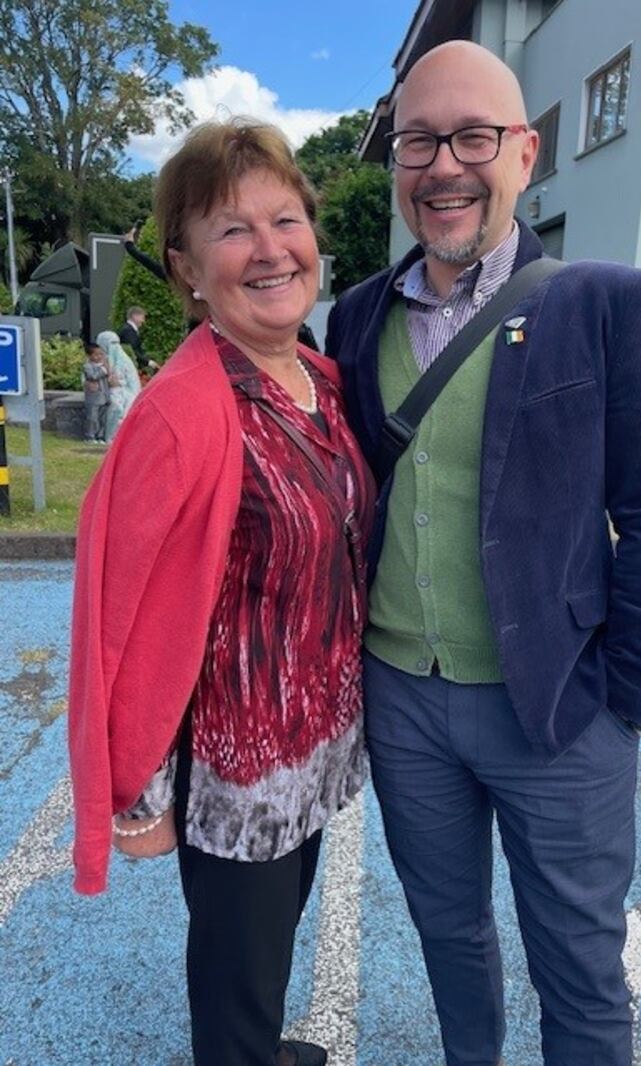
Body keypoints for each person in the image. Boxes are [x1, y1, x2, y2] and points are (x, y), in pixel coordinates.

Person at [325, 41, 641, 1066]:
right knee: (448, 940)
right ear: (396, 162)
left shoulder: (604, 302)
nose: (443, 165)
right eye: (416, 141)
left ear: (523, 153)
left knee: (577, 968)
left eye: (472, 137)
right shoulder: (355, 315)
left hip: (559, 708)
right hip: (402, 698)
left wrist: (624, 697)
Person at [69, 119, 375, 1066]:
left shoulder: (318, 378)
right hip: (237, 778)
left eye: (286, 218)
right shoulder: (182, 413)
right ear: (188, 270)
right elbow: (123, 621)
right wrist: (138, 800)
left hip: (310, 751)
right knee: (234, 980)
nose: (271, 248)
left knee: (265, 955)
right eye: (232, 230)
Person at [122, 224, 320, 350]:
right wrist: (130, 248)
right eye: (233, 232)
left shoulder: (292, 330)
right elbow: (159, 269)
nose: (271, 255)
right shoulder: (199, 283)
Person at [95, 329, 141, 442]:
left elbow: (122, 381)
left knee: (117, 406)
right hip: (113, 391)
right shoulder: (101, 357)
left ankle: (113, 436)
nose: (113, 346)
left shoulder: (123, 360)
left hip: (127, 393)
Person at [81, 342, 110, 444]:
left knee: (102, 418)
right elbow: (92, 376)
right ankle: (90, 436)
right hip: (93, 397)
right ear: (89, 355)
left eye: (101, 354)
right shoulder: (88, 366)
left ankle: (100, 436)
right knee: (92, 418)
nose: (99, 357)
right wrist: (103, 370)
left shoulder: (105, 366)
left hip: (104, 396)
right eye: (96, 354)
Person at [117, 304, 149, 369]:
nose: (143, 321)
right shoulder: (128, 330)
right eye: (142, 318)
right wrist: (148, 362)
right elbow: (132, 350)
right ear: (135, 316)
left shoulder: (128, 329)